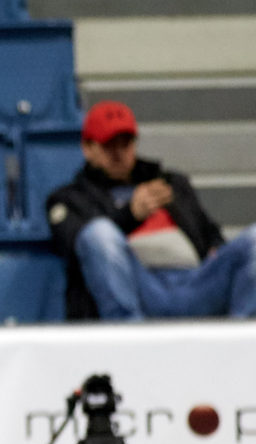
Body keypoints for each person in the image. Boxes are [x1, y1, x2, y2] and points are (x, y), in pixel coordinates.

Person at [46, 100, 256, 320]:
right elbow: (74, 246)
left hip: (197, 283)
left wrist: (216, 248)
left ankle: (240, 339)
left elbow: (209, 232)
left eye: (125, 143)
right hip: (139, 287)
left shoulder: (172, 183)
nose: (118, 153)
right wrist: (130, 215)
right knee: (99, 232)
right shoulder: (68, 199)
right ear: (88, 149)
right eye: (109, 145)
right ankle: (129, 336)